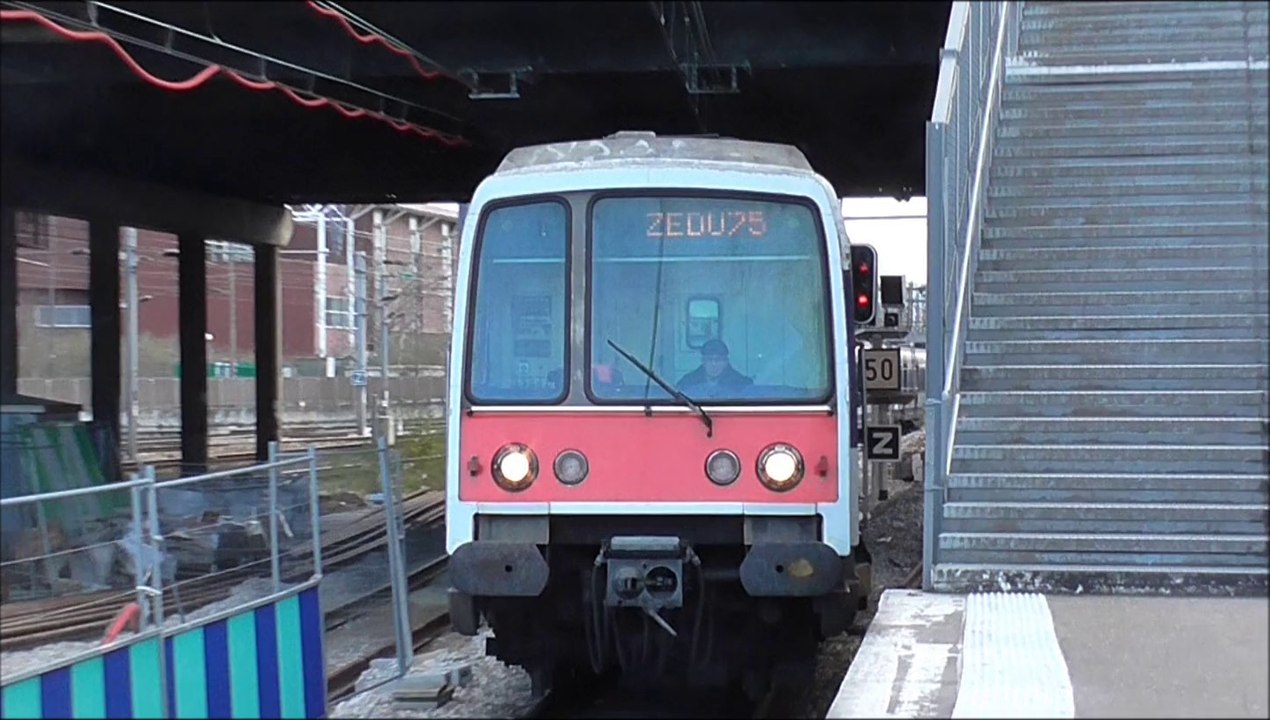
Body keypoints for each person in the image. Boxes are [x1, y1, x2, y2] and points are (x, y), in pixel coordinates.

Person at [677, 339, 752, 394]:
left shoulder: (741, 383)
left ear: (726, 362)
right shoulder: (688, 382)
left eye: (718, 360)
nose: (714, 364)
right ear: (703, 361)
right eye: (709, 359)